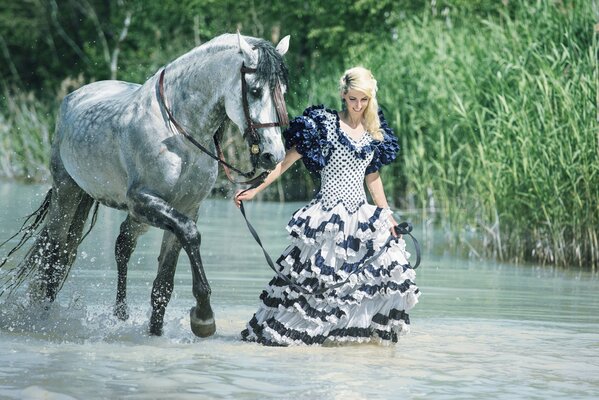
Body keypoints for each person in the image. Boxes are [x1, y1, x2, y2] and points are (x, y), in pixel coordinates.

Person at [234, 66, 420, 346]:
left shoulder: (373, 131)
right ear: (343, 96)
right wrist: (254, 189)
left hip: (362, 217)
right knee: (316, 288)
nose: (358, 106)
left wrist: (389, 218)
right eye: (352, 99)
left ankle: (352, 344)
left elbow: (373, 178)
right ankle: (309, 340)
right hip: (327, 219)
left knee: (380, 279)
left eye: (364, 100)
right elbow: (285, 162)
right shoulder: (323, 125)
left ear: (371, 99)